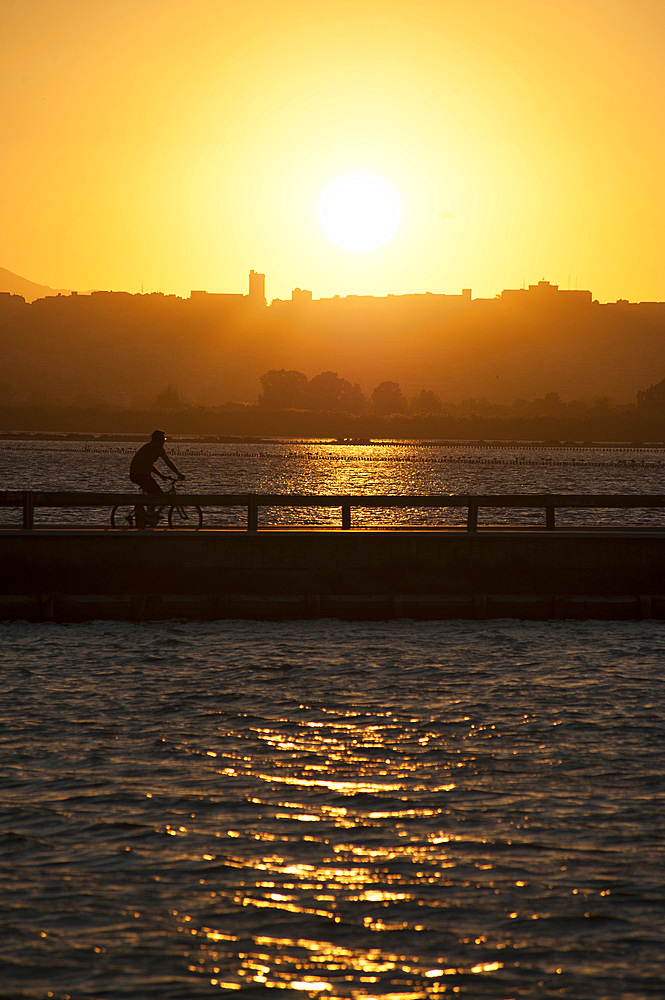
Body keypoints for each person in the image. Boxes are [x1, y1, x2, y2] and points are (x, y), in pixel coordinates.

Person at [129, 429, 185, 527]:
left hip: (139, 474)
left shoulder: (150, 446)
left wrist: (160, 475)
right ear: (159, 439)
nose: (164, 441)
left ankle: (148, 514)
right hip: (140, 475)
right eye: (163, 439)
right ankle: (148, 515)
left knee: (154, 494)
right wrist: (178, 473)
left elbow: (149, 464)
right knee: (158, 495)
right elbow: (168, 462)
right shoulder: (157, 447)